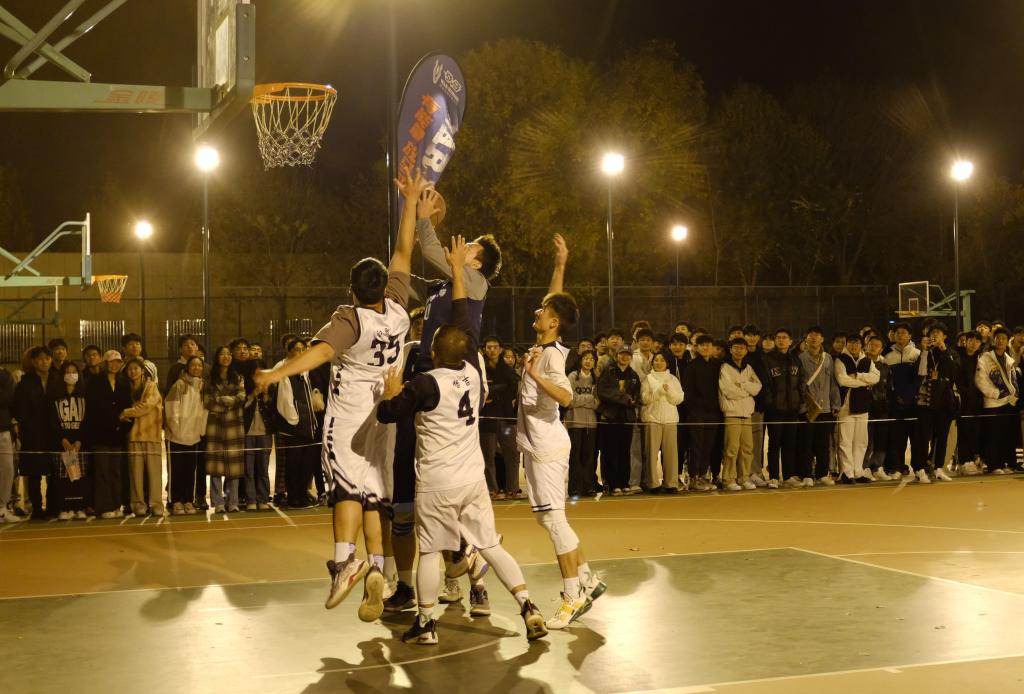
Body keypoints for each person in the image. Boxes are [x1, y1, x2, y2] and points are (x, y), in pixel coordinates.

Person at [253, 169, 424, 622]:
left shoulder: (350, 319)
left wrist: (275, 373)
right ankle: (379, 569)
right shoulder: (398, 307)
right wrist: (409, 201)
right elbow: (404, 250)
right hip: (385, 413)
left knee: (346, 490)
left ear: (352, 289)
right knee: (375, 496)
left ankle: (345, 561)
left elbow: (322, 352)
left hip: (349, 416)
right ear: (382, 286)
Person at [376, 235, 548, 645]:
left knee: (429, 552)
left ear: (433, 353)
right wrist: (455, 271)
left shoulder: (423, 385)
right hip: (472, 479)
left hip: (437, 482)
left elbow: (386, 413)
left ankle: (427, 623)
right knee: (490, 545)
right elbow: (464, 321)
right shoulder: (472, 373)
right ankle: (528, 606)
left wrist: (390, 391)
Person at [518, 233, 606, 630]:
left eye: (544, 311)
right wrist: (560, 265)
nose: (537, 311)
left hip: (547, 448)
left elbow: (567, 396)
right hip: (540, 446)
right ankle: (587, 578)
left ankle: (573, 596)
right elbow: (553, 300)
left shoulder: (551, 358)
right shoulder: (545, 343)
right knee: (550, 520)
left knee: (554, 522)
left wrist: (535, 375)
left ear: (553, 322)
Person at [12, 345, 62, 519]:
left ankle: (53, 507)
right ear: (33, 362)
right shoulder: (25, 382)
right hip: (33, 434)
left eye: (47, 358)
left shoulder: (58, 379)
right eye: (40, 359)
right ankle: (37, 509)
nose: (44, 362)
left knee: (55, 472)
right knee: (34, 473)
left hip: (55, 433)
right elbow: (18, 409)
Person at [81, 350, 132, 518]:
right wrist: (116, 418)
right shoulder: (94, 382)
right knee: (102, 471)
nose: (114, 365)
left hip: (117, 435)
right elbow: (94, 409)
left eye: (117, 361)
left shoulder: (123, 382)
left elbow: (127, 407)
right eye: (111, 361)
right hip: (99, 434)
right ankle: (104, 507)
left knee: (116, 471)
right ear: (104, 363)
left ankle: (117, 505)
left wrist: (123, 424)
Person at [274, 338, 320, 509]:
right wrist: (295, 421)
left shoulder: (305, 371)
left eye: (303, 349)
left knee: (306, 463)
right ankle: (293, 497)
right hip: (295, 428)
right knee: (293, 464)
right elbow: (284, 402)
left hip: (308, 426)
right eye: (297, 349)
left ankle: (302, 495)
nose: (301, 352)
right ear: (289, 351)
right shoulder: (286, 372)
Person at [910, 323, 958, 483]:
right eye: (932, 333)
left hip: (944, 402)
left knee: (942, 437)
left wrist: (944, 350)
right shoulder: (923, 352)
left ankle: (938, 468)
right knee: (923, 438)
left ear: (945, 336)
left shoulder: (951, 353)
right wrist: (924, 351)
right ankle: (920, 469)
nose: (935, 335)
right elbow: (920, 373)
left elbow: (953, 372)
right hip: (926, 401)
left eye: (938, 332)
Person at [117, 357, 164, 515]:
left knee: (154, 474)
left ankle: (156, 505)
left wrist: (126, 412)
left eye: (136, 368)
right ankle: (138, 505)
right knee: (135, 475)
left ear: (142, 371)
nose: (133, 372)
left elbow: (147, 406)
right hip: (134, 436)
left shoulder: (151, 386)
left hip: (152, 435)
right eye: (130, 369)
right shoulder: (126, 388)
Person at [204, 346, 246, 513]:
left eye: (229, 354)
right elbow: (207, 401)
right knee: (216, 467)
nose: (226, 357)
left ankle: (232, 501)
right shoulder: (209, 378)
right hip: (215, 426)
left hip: (234, 426)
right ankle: (218, 503)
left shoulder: (238, 377)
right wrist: (228, 404)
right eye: (222, 354)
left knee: (233, 467)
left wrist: (227, 400)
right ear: (217, 357)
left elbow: (242, 396)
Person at [479, 336, 521, 499]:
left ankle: (513, 489)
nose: (492, 350)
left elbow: (512, 391)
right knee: (487, 456)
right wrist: (499, 389)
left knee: (512, 454)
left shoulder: (508, 369)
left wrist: (492, 393)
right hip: (486, 419)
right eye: (488, 347)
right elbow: (481, 391)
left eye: (495, 347)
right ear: (484, 349)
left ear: (500, 349)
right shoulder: (480, 369)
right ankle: (492, 489)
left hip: (506, 419)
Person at [797, 326, 840, 486]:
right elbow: (798, 385)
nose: (814, 338)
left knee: (823, 444)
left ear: (822, 339)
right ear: (806, 340)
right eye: (810, 336)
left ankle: (822, 474)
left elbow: (833, 383)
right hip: (807, 409)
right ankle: (806, 474)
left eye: (817, 336)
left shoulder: (828, 358)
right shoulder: (800, 359)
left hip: (825, 407)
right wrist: (802, 405)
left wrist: (836, 403)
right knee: (806, 443)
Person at [834, 333, 879, 484]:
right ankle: (846, 473)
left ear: (861, 345)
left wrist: (857, 376)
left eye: (857, 343)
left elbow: (876, 377)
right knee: (845, 441)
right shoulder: (840, 359)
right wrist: (864, 382)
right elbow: (843, 380)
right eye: (851, 343)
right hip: (845, 407)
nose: (854, 346)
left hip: (863, 406)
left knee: (861, 441)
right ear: (846, 344)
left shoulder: (867, 360)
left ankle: (858, 471)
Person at [718, 337, 762, 491]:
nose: (739, 351)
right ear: (731, 350)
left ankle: (744, 478)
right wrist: (746, 392)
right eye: (736, 348)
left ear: (746, 350)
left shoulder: (748, 368)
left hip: (747, 414)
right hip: (732, 413)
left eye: (742, 348)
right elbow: (728, 390)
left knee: (747, 449)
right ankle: (728, 479)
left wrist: (742, 385)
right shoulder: (725, 367)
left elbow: (757, 387)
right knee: (731, 449)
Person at [165, 355, 207, 515]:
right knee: (176, 470)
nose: (197, 368)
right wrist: (176, 430)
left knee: (191, 471)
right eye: (193, 365)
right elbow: (171, 408)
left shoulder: (203, 386)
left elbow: (205, 410)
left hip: (194, 436)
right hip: (176, 436)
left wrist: (201, 431)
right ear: (187, 367)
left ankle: (189, 500)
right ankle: (175, 501)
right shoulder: (179, 384)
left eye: (199, 365)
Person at [763, 329, 804, 489]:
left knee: (790, 444)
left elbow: (801, 382)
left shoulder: (795, 360)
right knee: (774, 444)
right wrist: (771, 403)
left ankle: (788, 476)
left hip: (792, 410)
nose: (781, 340)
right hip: (775, 410)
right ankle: (774, 476)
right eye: (778, 337)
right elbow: (765, 384)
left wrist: (799, 401)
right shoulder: (768, 359)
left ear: (790, 341)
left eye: (784, 337)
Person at [597, 347, 641, 495]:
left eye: (627, 355)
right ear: (617, 356)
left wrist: (633, 401)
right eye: (622, 354)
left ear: (631, 358)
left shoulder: (633, 375)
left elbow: (636, 395)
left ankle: (624, 483)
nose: (624, 357)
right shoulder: (608, 371)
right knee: (610, 451)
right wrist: (625, 399)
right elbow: (603, 392)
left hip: (627, 417)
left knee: (625, 451)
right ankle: (612, 484)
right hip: (610, 416)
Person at [975, 326, 1019, 474]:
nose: (1000, 341)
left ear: (1007, 341)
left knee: (1007, 435)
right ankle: (994, 465)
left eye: (1003, 338)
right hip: (992, 402)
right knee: (993, 435)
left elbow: (1013, 381)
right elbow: (980, 380)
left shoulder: (1009, 359)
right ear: (993, 340)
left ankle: (1008, 463)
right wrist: (995, 394)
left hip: (1009, 402)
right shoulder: (985, 358)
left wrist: (1014, 396)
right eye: (998, 338)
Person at [640, 352, 684, 493]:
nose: (659, 363)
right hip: (652, 418)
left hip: (670, 419)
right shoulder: (648, 379)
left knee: (671, 454)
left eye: (662, 360)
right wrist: (659, 391)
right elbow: (644, 398)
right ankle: (652, 483)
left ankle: (671, 483)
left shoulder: (673, 379)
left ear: (667, 363)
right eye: (656, 360)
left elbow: (679, 398)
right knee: (651, 453)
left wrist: (668, 391)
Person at [52, 362, 90, 519]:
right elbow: (52, 420)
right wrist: (63, 440)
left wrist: (79, 441)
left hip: (79, 444)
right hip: (62, 443)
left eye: (74, 371)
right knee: (63, 477)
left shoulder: (85, 396)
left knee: (78, 476)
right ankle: (64, 508)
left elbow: (88, 420)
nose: (71, 374)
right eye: (67, 372)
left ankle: (79, 508)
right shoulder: (55, 396)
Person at [683, 335, 722, 491]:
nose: (705, 348)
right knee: (696, 445)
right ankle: (693, 477)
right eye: (702, 345)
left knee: (708, 445)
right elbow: (688, 392)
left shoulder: (717, 365)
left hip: (713, 413)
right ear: (697, 348)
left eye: (708, 345)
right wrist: (695, 408)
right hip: (696, 413)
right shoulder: (691, 366)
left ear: (712, 347)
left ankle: (703, 476)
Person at [884, 322, 921, 479]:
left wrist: (913, 395)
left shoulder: (917, 353)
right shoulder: (887, 355)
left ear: (910, 335)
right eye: (897, 332)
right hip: (895, 403)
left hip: (914, 402)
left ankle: (918, 468)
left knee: (916, 438)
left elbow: (920, 378)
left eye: (904, 332)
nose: (900, 335)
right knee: (897, 437)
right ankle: (897, 467)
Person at [567, 350, 600, 497]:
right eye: (586, 358)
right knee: (575, 456)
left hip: (591, 423)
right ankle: (575, 487)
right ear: (580, 360)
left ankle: (589, 486)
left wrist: (581, 400)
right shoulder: (572, 376)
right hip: (575, 422)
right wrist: (588, 399)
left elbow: (597, 403)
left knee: (589, 456)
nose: (588, 361)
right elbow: (570, 400)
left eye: (591, 359)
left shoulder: (596, 379)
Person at [742, 325, 769, 486]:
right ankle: (743, 473)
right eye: (748, 335)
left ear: (758, 338)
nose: (751, 338)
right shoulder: (739, 356)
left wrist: (762, 401)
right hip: (740, 406)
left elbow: (766, 382)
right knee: (742, 443)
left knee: (757, 441)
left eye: (754, 335)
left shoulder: (763, 357)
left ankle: (756, 471)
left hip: (758, 406)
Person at [955, 331, 984, 474]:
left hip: (978, 400)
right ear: (965, 341)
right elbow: (956, 378)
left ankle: (973, 460)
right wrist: (963, 392)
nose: (974, 343)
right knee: (964, 431)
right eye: (971, 340)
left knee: (976, 431)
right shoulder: (957, 357)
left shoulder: (982, 358)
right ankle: (963, 461)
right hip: (963, 400)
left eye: (977, 341)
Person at [864, 335, 892, 480]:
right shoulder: (861, 364)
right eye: (871, 344)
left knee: (882, 439)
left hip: (882, 408)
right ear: (866, 345)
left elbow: (889, 387)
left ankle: (878, 467)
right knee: (867, 440)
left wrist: (887, 403)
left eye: (877, 345)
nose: (873, 347)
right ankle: (865, 467)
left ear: (881, 349)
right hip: (866, 408)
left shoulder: (885, 367)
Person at [0, 362, 19, 523]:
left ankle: (2, 508)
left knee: (7, 469)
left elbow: (9, 398)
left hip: (3, 428)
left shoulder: (5, 375)